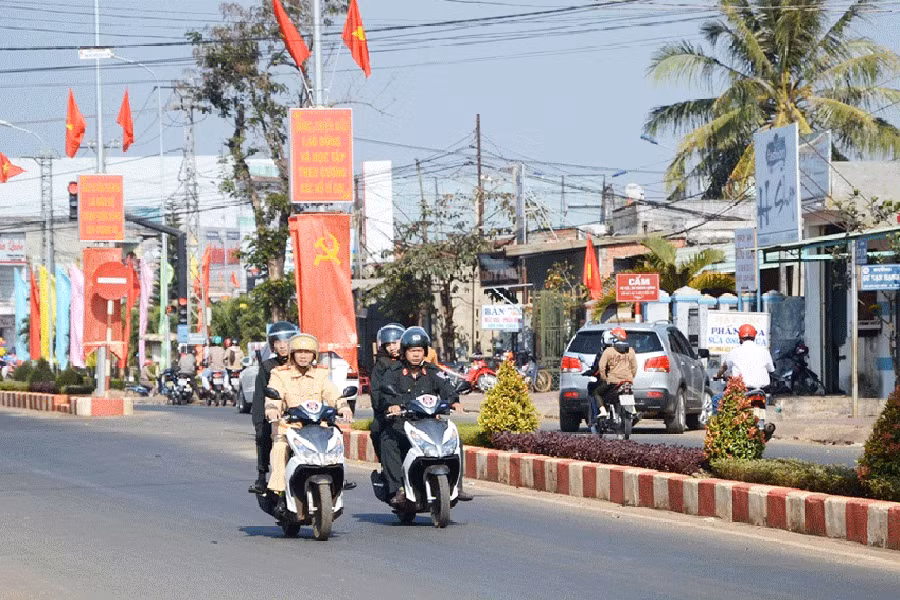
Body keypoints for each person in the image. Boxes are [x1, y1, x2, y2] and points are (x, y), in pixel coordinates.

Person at [379, 327, 468, 507]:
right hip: (403, 424)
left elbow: (447, 389)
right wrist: (392, 405)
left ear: (425, 352)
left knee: (456, 440)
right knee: (388, 440)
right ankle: (398, 489)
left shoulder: (434, 371)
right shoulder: (393, 372)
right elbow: (384, 394)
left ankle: (456, 486)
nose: (416, 355)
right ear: (404, 352)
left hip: (430, 423)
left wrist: (454, 401)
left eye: (419, 350)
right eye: (412, 351)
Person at [265, 333, 354, 508]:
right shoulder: (279, 374)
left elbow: (332, 393)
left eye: (308, 352)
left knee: (336, 443)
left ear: (314, 355)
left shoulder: (321, 374)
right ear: (292, 354)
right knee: (280, 447)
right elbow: (273, 396)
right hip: (290, 426)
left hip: (317, 426)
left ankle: (338, 481)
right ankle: (279, 491)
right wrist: (272, 409)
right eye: (299, 352)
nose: (303, 356)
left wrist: (342, 405)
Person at [248, 321, 297, 495]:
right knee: (263, 435)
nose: (283, 346)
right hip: (275, 414)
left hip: (300, 415)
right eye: (278, 342)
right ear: (273, 345)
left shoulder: (303, 364)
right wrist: (261, 420)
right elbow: (261, 396)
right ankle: (262, 476)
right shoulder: (268, 366)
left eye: (287, 341)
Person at [710, 324, 775, 416]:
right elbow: (771, 369)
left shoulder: (734, 352)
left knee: (716, 399)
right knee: (759, 415)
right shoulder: (764, 352)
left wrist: (718, 375)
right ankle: (760, 424)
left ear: (740, 337)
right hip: (760, 392)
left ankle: (717, 427)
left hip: (741, 392)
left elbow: (724, 366)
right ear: (754, 336)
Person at [585, 327, 637, 432]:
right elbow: (634, 367)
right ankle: (633, 411)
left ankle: (602, 411)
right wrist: (631, 377)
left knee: (596, 392)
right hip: (627, 380)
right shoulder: (629, 351)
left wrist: (603, 377)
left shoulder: (607, 352)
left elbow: (600, 367)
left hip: (611, 381)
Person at [370, 323, 406, 461]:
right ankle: (386, 466)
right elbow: (376, 391)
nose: (393, 347)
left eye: (396, 343)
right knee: (377, 430)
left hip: (413, 412)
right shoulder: (382, 364)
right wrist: (386, 407)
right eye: (388, 344)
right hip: (389, 412)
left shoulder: (410, 362)